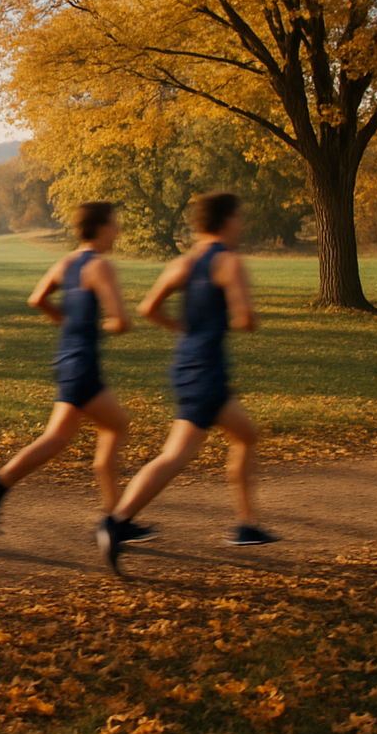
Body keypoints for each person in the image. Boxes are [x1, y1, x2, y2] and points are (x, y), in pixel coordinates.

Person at [96, 191, 278, 575]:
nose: (241, 225)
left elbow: (149, 308)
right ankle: (117, 521)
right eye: (239, 218)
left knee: (245, 436)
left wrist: (185, 328)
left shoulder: (184, 262)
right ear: (227, 221)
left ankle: (247, 524)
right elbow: (245, 318)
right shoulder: (228, 262)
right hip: (207, 370)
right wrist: (226, 322)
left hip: (186, 364)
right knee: (176, 456)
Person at [0, 202, 154, 541]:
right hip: (83, 364)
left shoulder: (66, 263)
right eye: (114, 225)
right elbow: (121, 320)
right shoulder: (100, 267)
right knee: (115, 427)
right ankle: (116, 518)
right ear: (101, 228)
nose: (117, 231)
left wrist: (68, 323)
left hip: (66, 360)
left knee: (60, 437)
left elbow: (37, 298)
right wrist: (104, 326)